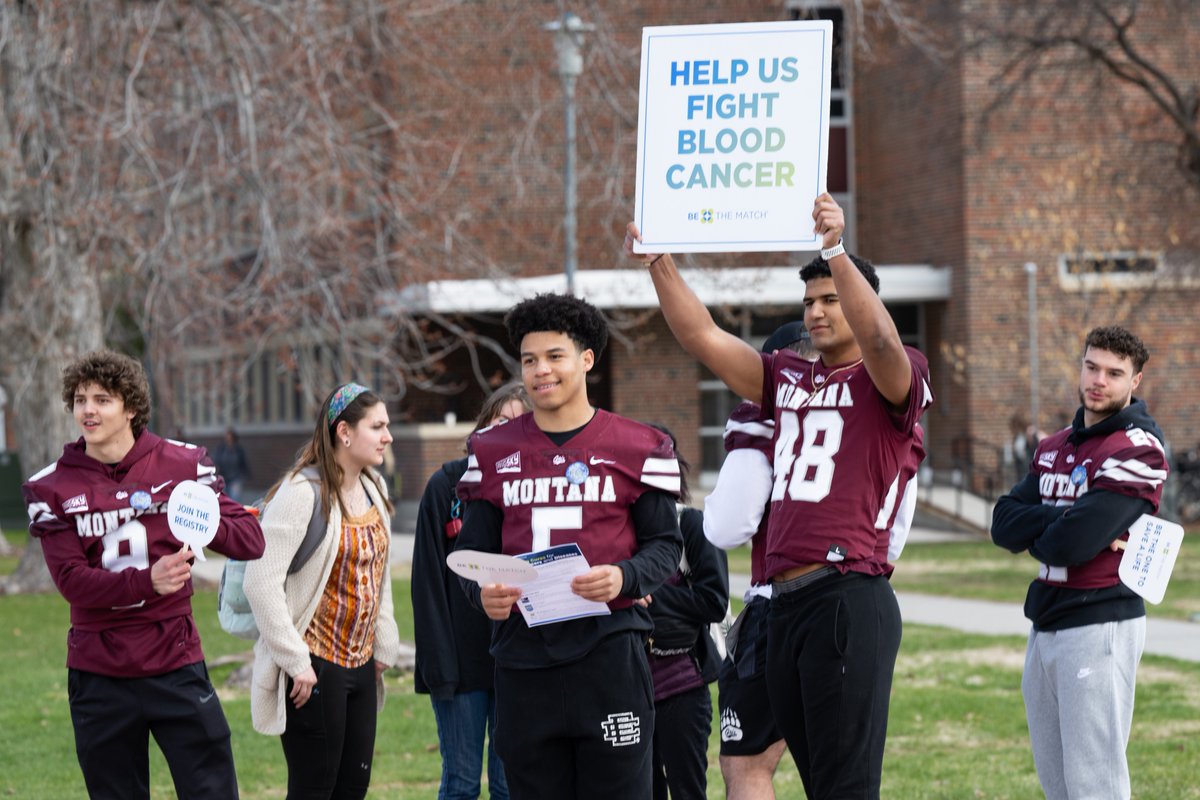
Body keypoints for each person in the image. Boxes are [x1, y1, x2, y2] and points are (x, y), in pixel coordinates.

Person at [626, 193, 933, 799]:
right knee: (817, 780)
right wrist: (658, 260)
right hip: (783, 602)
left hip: (847, 594)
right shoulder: (787, 377)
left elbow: (882, 342)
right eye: (810, 302)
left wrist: (836, 251)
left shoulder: (890, 376)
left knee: (845, 787)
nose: (817, 312)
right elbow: (702, 336)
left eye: (830, 300)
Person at [453, 292, 684, 800]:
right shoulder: (491, 451)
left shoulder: (638, 445)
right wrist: (482, 591)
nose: (540, 371)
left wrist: (624, 576)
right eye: (530, 359)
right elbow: (473, 553)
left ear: (586, 359)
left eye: (554, 356)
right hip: (523, 658)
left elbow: (665, 546)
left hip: (608, 654)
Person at [21, 349, 265, 799]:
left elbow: (251, 539)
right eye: (80, 399)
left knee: (212, 791)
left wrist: (198, 520)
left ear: (130, 407)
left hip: (174, 658)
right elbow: (71, 582)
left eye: (102, 399)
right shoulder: (51, 485)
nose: (88, 410)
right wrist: (147, 580)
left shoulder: (182, 465)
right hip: (99, 670)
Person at [991, 326, 1168, 800]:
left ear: (1136, 381)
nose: (1099, 380)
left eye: (1114, 373)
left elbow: (1071, 544)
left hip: (1099, 623)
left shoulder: (1138, 448)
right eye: (1092, 366)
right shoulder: (1053, 446)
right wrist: (1062, 516)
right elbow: (1002, 524)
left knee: (1096, 785)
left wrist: (1053, 527)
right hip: (1046, 622)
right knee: (1059, 785)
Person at [243, 382, 403, 800]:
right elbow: (260, 582)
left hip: (362, 667)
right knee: (315, 790)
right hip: (315, 670)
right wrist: (296, 662)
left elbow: (379, 575)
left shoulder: (374, 488)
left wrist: (384, 645)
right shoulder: (301, 494)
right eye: (378, 426)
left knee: (353, 788)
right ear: (344, 432)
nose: (388, 436)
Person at [703, 322, 811, 800]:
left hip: (781, 601)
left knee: (747, 763)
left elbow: (727, 526)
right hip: (861, 602)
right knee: (839, 768)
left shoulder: (764, 422)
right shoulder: (878, 413)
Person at [412, 381, 529, 800]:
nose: (509, 432)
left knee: (507, 784)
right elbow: (426, 584)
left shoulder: (531, 489)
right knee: (461, 784)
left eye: (522, 424)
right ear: (481, 428)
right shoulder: (447, 486)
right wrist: (438, 667)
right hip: (459, 666)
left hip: (516, 660)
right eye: (501, 422)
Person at [641, 424, 728, 800]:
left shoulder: (689, 523)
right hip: (629, 688)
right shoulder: (619, 532)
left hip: (683, 686)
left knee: (688, 790)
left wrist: (643, 592)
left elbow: (714, 600)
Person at [213, 426, 251, 502]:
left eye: (230, 438)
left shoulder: (238, 449)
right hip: (224, 477)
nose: (229, 440)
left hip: (236, 478)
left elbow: (243, 463)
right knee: (224, 499)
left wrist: (245, 475)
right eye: (227, 438)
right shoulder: (221, 449)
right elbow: (216, 459)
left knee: (234, 498)